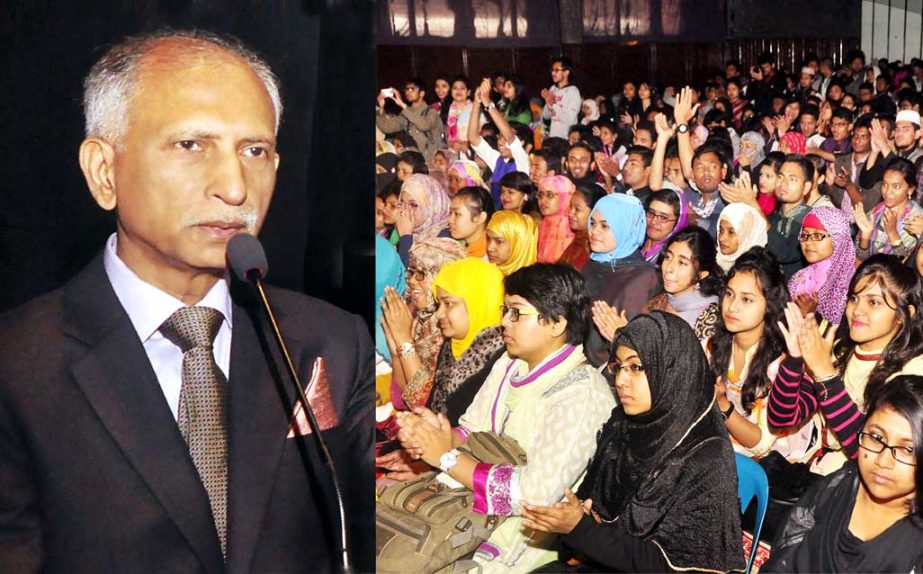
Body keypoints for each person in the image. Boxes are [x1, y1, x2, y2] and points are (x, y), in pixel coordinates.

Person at [0, 30, 374, 572]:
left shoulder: (334, 340)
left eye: (255, 150)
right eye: (191, 145)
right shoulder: (18, 365)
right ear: (104, 171)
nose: (234, 187)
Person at [394, 263, 614, 573]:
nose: (503, 323)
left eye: (516, 313)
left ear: (556, 323)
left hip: (524, 542)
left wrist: (446, 457)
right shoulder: (510, 364)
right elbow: (472, 431)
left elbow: (536, 495)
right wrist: (431, 437)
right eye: (504, 311)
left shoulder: (580, 394)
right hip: (466, 514)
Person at [526, 312, 745, 573]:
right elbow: (589, 503)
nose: (620, 380)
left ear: (672, 369)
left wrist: (582, 531)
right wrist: (576, 530)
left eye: (636, 367)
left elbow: (670, 567)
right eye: (618, 367)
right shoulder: (624, 424)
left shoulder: (706, 456)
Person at [770, 254, 923, 475]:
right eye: (854, 298)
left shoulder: (912, 372)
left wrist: (826, 375)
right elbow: (781, 418)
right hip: (816, 469)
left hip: (859, 484)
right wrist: (794, 359)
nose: (857, 310)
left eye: (874, 302)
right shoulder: (840, 350)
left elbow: (871, 453)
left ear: (904, 315)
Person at [762, 375, 923, 572]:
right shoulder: (839, 486)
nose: (882, 461)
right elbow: (784, 560)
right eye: (876, 437)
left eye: (908, 449)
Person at [707, 248, 816, 461]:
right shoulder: (713, 344)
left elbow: (760, 445)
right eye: (729, 294)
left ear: (770, 305)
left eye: (747, 299)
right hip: (720, 452)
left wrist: (722, 406)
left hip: (771, 464)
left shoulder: (782, 363)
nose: (732, 307)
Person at [380, 238, 466, 412]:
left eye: (421, 274)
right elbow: (401, 398)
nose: (412, 281)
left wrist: (404, 341)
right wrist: (396, 344)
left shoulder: (450, 327)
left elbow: (423, 402)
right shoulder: (419, 318)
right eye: (411, 273)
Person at [582, 194, 660, 367]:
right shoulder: (593, 264)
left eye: (605, 226)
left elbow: (639, 347)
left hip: (614, 374)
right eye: (592, 223)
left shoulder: (643, 278)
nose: (594, 231)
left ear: (626, 228)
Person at [640, 226, 723, 339]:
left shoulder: (710, 317)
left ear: (701, 273)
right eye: (668, 257)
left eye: (682, 263)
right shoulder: (658, 302)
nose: (669, 268)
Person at [788, 207, 855, 324]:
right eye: (804, 235)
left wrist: (812, 316)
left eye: (818, 236)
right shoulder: (798, 278)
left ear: (837, 239)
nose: (808, 242)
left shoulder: (850, 284)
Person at [854, 156, 923, 261]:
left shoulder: (917, 220)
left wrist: (892, 233)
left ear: (910, 189)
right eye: (885, 184)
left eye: (896, 186)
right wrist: (865, 236)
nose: (887, 192)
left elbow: (906, 265)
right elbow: (859, 259)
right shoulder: (876, 212)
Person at [377, 77, 445, 161]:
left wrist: (402, 105)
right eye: (406, 89)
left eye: (412, 89)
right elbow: (387, 127)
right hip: (415, 159)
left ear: (422, 93)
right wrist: (381, 107)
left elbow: (424, 125)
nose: (408, 92)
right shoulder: (406, 113)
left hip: (433, 159)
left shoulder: (431, 111)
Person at [394, 173, 452, 266]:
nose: (405, 211)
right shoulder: (408, 231)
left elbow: (411, 275)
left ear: (432, 206)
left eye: (413, 205)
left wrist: (405, 236)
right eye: (402, 203)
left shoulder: (444, 238)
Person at [559, 183, 606, 271]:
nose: (570, 213)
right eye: (571, 207)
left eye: (577, 209)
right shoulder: (580, 240)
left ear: (595, 212)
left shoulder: (592, 246)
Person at [716, 202, 769, 272]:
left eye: (731, 232)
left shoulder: (755, 273)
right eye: (721, 231)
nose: (721, 238)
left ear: (747, 236)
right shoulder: (712, 261)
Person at [536, 175, 576, 263]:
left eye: (549, 195)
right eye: (540, 195)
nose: (543, 200)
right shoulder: (544, 224)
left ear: (565, 196)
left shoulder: (571, 226)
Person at [641, 189, 688, 264]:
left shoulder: (671, 260)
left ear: (678, 223)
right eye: (651, 213)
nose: (653, 221)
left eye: (663, 217)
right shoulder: (635, 241)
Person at [485, 210, 538, 276]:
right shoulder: (484, 274)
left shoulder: (532, 284)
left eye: (499, 241)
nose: (489, 248)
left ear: (518, 244)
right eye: (488, 239)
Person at [541, 56, 581, 140]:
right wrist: (548, 102)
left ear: (566, 72)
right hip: (553, 136)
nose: (552, 73)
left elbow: (570, 120)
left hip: (566, 139)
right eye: (552, 70)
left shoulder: (573, 92)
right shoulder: (553, 89)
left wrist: (554, 103)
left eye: (556, 70)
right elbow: (546, 117)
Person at [448, 186, 494, 258]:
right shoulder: (461, 250)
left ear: (479, 218)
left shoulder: (489, 257)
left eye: (457, 214)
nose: (450, 220)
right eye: (450, 213)